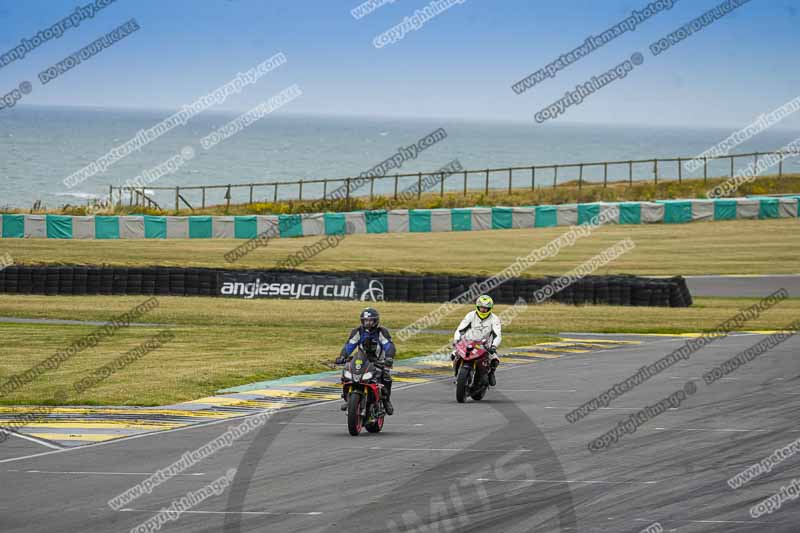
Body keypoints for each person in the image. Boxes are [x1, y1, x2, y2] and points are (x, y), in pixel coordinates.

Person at [335, 307, 396, 415]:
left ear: (375, 321)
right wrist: (342, 356)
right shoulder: (357, 331)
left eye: (370, 320)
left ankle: (386, 400)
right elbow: (350, 345)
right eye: (365, 320)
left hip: (379, 361)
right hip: (361, 361)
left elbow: (388, 345)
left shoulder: (381, 332)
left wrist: (389, 357)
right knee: (347, 373)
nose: (367, 323)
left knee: (386, 376)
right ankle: (348, 399)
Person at [451, 295, 502, 386]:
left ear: (490, 308)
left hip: (485, 344)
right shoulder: (470, 315)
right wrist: (457, 340)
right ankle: (456, 373)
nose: (483, 310)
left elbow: (497, 334)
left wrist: (494, 346)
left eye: (486, 308)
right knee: (454, 354)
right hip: (469, 342)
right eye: (481, 307)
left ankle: (491, 373)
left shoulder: (494, 319)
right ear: (477, 307)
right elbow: (460, 329)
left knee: (495, 359)